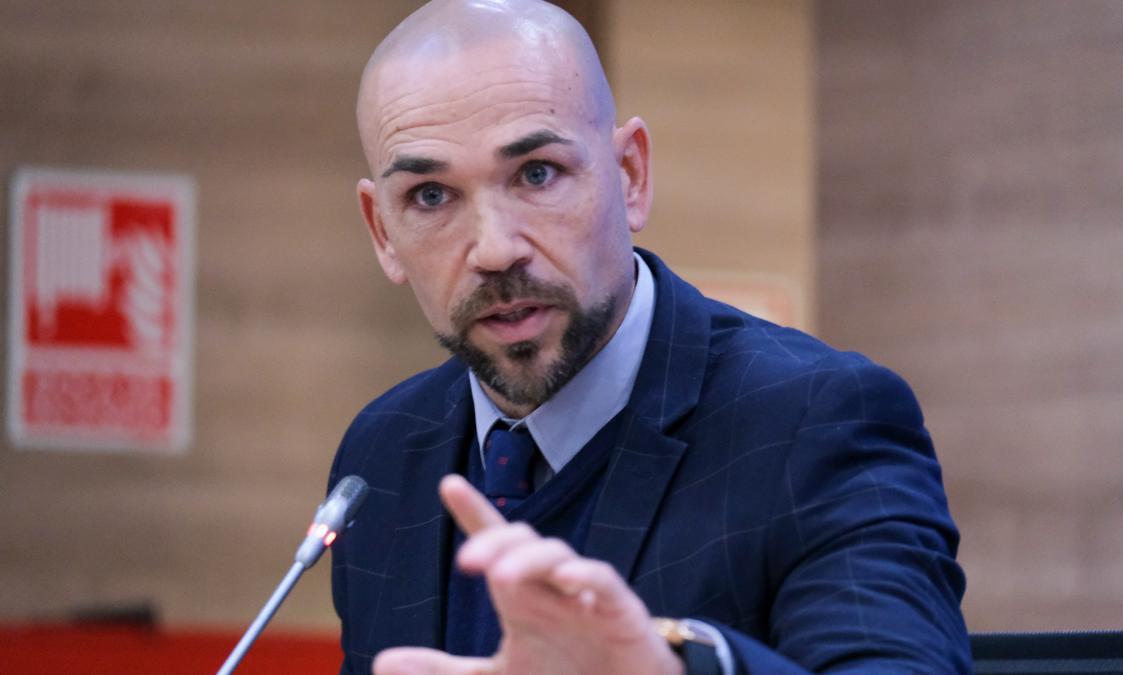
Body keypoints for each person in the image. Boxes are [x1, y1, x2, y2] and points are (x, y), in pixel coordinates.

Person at [329, 0, 971, 672]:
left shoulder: (816, 420)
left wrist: (675, 668)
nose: (494, 249)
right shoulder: (381, 451)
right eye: (431, 196)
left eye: (537, 173)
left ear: (630, 175)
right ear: (383, 232)